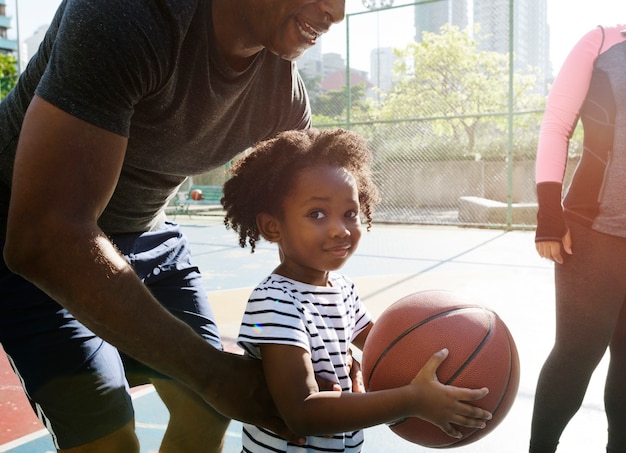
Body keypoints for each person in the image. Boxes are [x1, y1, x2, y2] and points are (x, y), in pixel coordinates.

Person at [0, 0, 349, 451]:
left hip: (146, 231)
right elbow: (44, 237)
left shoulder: (283, 98)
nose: (336, 12)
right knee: (107, 435)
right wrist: (213, 374)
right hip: (29, 226)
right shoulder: (127, 14)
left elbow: (307, 242)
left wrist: (332, 342)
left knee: (207, 410)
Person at [221, 128, 493, 452]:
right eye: (317, 214)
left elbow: (387, 345)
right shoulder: (275, 301)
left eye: (350, 213)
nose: (340, 229)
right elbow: (301, 413)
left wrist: (455, 354)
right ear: (272, 227)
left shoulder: (342, 289)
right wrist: (412, 400)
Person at [531, 25, 626, 453]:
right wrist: (550, 212)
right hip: (592, 231)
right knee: (576, 356)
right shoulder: (603, 41)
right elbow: (556, 125)